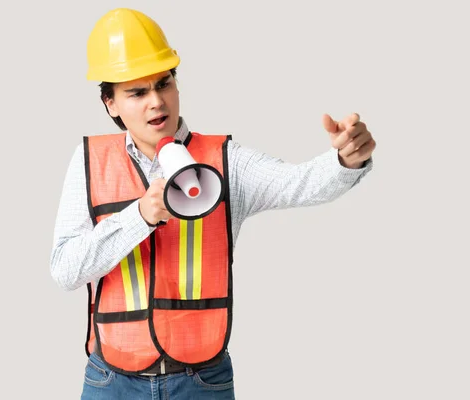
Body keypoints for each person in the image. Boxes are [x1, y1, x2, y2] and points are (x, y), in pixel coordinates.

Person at [50, 7, 376, 400]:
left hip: (200, 382)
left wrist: (345, 160)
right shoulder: (90, 162)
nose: (156, 101)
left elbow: (298, 184)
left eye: (163, 83)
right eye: (137, 92)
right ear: (110, 104)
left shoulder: (224, 160)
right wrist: (139, 216)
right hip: (112, 381)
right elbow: (65, 270)